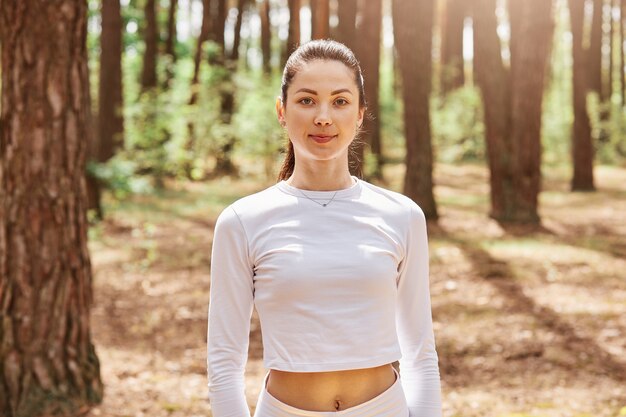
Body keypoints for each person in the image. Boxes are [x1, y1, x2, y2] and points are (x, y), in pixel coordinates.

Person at [207, 39, 442, 417]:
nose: (323, 116)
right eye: (306, 100)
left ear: (361, 114)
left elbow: (420, 353)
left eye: (340, 101)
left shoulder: (402, 215)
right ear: (281, 111)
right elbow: (223, 365)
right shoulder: (242, 221)